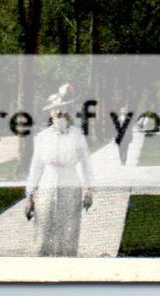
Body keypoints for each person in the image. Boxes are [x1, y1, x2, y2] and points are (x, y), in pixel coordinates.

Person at [24, 106, 94, 256]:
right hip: (46, 185)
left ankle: (66, 265)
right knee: (44, 228)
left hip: (71, 184)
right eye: (56, 112)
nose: (59, 115)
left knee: (69, 230)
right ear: (51, 114)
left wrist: (89, 190)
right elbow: (36, 166)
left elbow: (86, 164)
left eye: (63, 112)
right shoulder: (43, 136)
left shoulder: (77, 136)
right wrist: (29, 195)